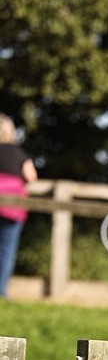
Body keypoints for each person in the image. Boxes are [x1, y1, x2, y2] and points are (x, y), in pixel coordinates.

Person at [0, 114, 37, 299]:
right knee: (6, 249)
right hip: (12, 207)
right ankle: (1, 291)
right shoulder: (18, 153)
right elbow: (31, 177)